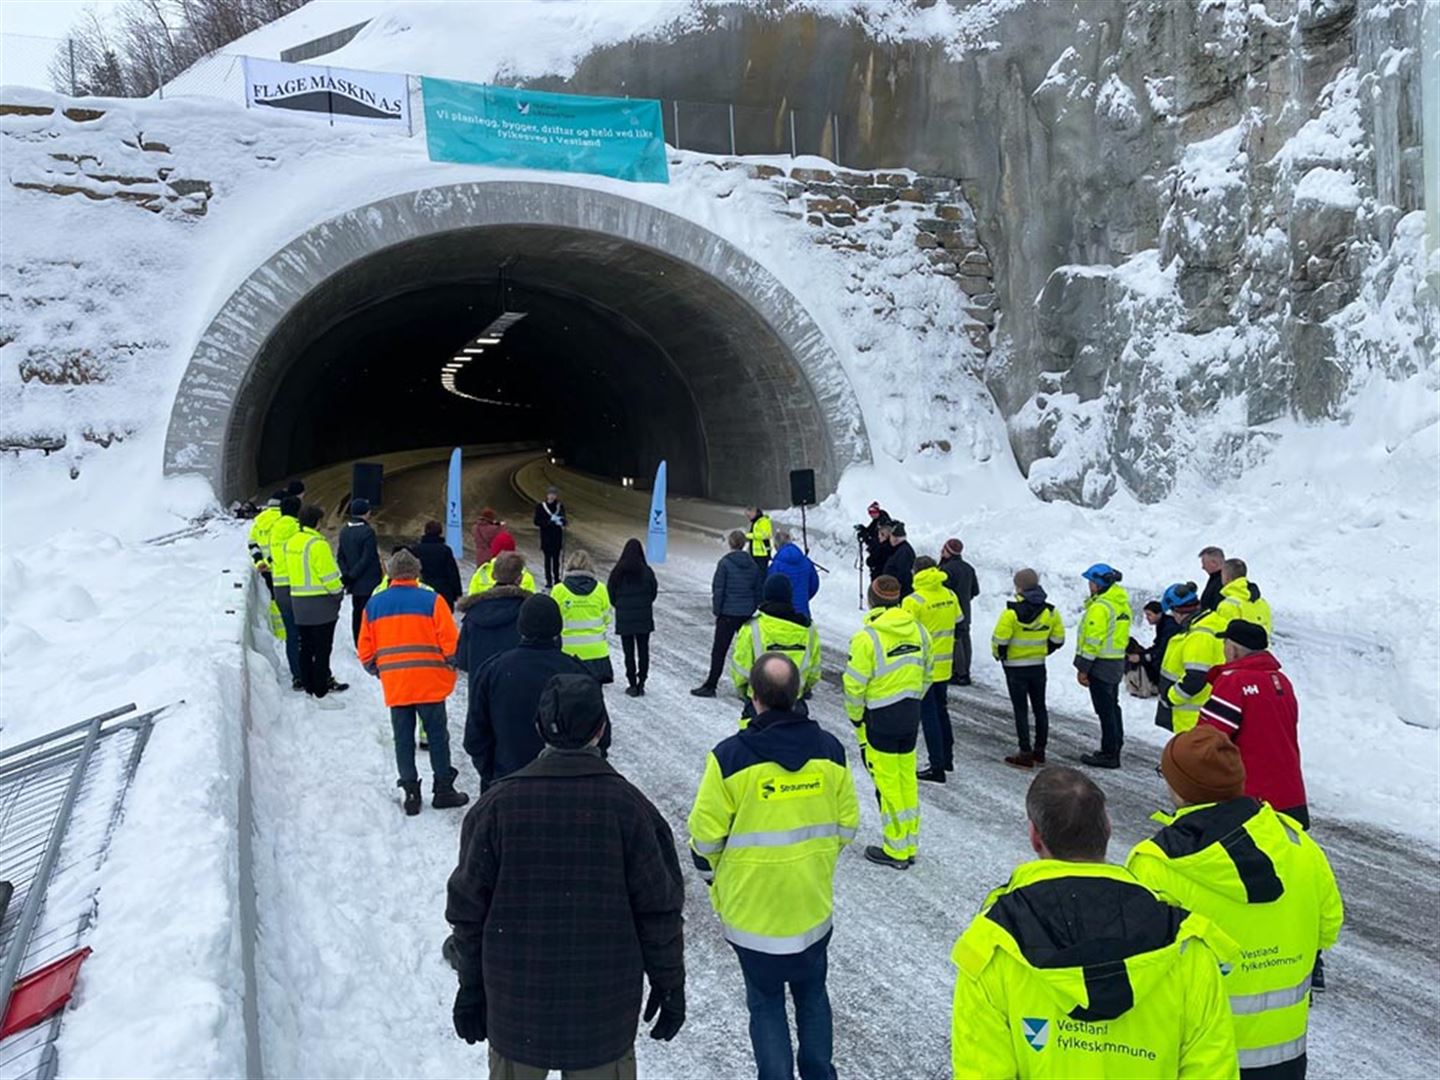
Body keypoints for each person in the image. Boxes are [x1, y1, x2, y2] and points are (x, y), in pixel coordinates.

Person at [448, 674, 685, 1079]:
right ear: (602, 729)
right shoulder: (630, 809)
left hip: (515, 1006)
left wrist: (470, 985)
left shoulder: (497, 807)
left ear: (540, 728)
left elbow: (468, 909)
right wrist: (669, 982)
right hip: (603, 1014)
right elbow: (659, 909)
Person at [951, 767, 1239, 1080]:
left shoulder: (992, 946)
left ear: (1035, 837)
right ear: (1108, 828)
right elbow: (1213, 1071)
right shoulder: (1186, 943)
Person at [1127, 726, 1342, 1079]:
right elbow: (1328, 926)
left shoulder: (1156, 863)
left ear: (1180, 788)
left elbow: (1140, 966)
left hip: (1200, 1057)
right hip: (1285, 1053)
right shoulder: (1297, 842)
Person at [688, 653, 858, 1080]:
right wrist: (814, 861)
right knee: (813, 994)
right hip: (810, 908)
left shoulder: (729, 759)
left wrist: (717, 881)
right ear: (798, 694)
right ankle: (820, 1073)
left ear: (753, 697)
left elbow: (704, 840)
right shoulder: (831, 752)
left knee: (765, 1003)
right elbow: (847, 825)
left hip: (752, 915)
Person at [356, 549, 469, 815]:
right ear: (417, 572)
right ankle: (443, 789)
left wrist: (379, 670)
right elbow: (451, 643)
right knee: (438, 737)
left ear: (390, 574)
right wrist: (451, 664)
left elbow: (365, 649)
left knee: (403, 739)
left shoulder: (374, 605)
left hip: (397, 683)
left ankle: (410, 793)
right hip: (431, 681)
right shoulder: (433, 600)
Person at [464, 594, 599, 790]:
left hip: (507, 783)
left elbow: (475, 738)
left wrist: (493, 776)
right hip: (569, 790)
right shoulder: (578, 671)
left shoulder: (493, 670)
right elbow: (599, 736)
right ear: (558, 628)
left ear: (520, 627)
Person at [843, 574, 931, 870]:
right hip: (910, 714)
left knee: (887, 783)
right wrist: (913, 697)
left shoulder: (867, 638)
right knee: (907, 780)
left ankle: (895, 849)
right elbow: (927, 672)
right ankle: (909, 842)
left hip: (880, 718)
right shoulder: (919, 631)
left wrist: (856, 717)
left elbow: (854, 685)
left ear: (871, 599)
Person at [1198, 619, 1311, 826]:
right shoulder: (1281, 681)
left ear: (1233, 649)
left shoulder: (1233, 682)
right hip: (1290, 795)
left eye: (1225, 644)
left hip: (1251, 799)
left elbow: (1207, 739)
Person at [990, 569, 1065, 769]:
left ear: (1020, 587)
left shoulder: (1011, 613)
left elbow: (1000, 640)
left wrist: (1001, 655)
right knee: (1040, 708)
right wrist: (1043, 651)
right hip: (1038, 666)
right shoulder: (1050, 611)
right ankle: (1040, 751)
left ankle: (1025, 752)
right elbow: (1058, 639)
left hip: (1015, 668)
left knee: (1021, 709)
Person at [730, 575, 821, 727]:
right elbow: (814, 670)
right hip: (794, 703)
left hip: (758, 707)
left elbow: (741, 670)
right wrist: (802, 689)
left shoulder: (752, 628)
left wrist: (746, 693)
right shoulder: (809, 629)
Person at [284, 504, 349, 707]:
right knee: (322, 649)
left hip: (299, 601)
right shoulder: (317, 545)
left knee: (306, 646)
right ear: (317, 522)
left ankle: (309, 685)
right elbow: (329, 576)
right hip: (320, 604)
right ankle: (321, 691)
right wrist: (338, 592)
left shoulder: (292, 542)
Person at [904, 557, 960, 783]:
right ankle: (947, 758)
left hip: (925, 666)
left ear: (915, 572)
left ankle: (936, 766)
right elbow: (958, 619)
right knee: (941, 711)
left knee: (928, 716)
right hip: (945, 664)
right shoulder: (950, 595)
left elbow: (906, 631)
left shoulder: (913, 600)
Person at [1074, 563, 1132, 770]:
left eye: (1091, 582)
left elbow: (1092, 640)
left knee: (1105, 710)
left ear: (1098, 584)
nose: (1089, 585)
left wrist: (1083, 668)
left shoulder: (1100, 607)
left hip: (1100, 664)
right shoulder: (1120, 603)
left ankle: (1109, 753)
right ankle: (1114, 746)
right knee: (1112, 707)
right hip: (1115, 663)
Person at [692, 531, 762, 698]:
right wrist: (751, 607)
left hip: (727, 613)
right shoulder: (752, 565)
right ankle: (751, 686)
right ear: (744, 544)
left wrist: (718, 610)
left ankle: (711, 684)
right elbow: (757, 589)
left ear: (730, 544)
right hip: (746, 613)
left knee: (719, 650)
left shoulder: (724, 563)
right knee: (748, 651)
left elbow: (718, 589)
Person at [1159, 581, 1227, 733]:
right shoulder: (1214, 623)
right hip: (1208, 714)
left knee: (1190, 755)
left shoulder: (1199, 636)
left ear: (1177, 611)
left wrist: (1171, 697)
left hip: (1192, 718)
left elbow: (1195, 678)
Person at [455, 552, 529, 686]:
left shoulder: (473, 611)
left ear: (494, 575)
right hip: (518, 687)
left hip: (481, 690)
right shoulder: (529, 611)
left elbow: (463, 660)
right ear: (520, 578)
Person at [553, 549, 614, 685]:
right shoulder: (601, 589)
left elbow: (553, 621)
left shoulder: (559, 590)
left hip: (568, 653)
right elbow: (608, 618)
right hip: (597, 653)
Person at [607, 539, 658, 698]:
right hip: (643, 617)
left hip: (625, 618)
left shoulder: (617, 572)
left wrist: (620, 606)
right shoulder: (647, 571)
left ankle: (632, 683)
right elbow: (653, 592)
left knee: (628, 652)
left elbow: (611, 595)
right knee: (644, 650)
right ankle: (642, 681)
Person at [269, 494, 304, 690]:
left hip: (279, 586)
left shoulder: (274, 529)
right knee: (305, 633)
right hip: (297, 587)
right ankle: (308, 672)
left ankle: (296, 675)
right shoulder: (296, 529)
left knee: (291, 633)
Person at [337, 497, 382, 645]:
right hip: (368, 580)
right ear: (366, 513)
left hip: (354, 583)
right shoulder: (367, 532)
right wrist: (353, 574)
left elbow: (340, 557)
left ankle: (358, 641)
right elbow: (367, 558)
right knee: (369, 613)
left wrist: (347, 575)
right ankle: (369, 641)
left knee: (357, 612)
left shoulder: (344, 532)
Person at [938, 538, 980, 685]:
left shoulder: (946, 570)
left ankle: (958, 673)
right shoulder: (968, 568)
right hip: (965, 609)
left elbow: (941, 590)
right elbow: (975, 590)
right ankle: (965, 671)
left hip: (950, 610)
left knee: (955, 641)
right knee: (965, 639)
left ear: (948, 551)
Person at [1126, 600, 1176, 698]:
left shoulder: (1169, 627)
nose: (1147, 618)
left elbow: (1162, 650)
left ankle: (1149, 685)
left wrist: (1143, 657)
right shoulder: (1162, 624)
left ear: (1159, 614)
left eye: (1149, 615)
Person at [411, 520, 463, 610]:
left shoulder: (416, 550)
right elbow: (452, 572)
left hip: (421, 588)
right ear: (440, 532)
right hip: (443, 591)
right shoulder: (445, 550)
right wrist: (457, 592)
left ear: (425, 531)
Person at [767, 530, 819, 618]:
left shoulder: (777, 565)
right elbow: (814, 584)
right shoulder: (806, 562)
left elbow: (769, 588)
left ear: (776, 546)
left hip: (783, 613)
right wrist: (803, 597)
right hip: (803, 612)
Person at [1218, 557, 1274, 635]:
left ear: (1227, 577)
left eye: (1222, 574)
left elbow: (1224, 635)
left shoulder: (1228, 605)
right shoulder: (1263, 603)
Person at [247, 491, 283, 590]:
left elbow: (252, 544)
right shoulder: (285, 520)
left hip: (265, 569)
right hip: (283, 568)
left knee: (273, 595)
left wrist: (259, 561)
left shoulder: (259, 521)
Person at [534, 486, 568, 589]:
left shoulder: (560, 506)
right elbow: (536, 521)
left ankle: (557, 579)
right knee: (547, 560)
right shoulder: (541, 507)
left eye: (554, 494)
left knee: (556, 560)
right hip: (546, 537)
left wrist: (562, 522)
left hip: (557, 537)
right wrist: (548, 522)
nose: (552, 496)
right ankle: (548, 580)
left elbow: (565, 520)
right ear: (547, 495)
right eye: (550, 494)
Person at [468, 547, 537, 596]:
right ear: (520, 578)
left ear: (494, 575)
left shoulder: (482, 572)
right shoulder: (527, 576)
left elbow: (472, 593)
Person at [854, 501, 892, 582]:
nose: (871, 514)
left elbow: (877, 541)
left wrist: (866, 537)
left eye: (873, 512)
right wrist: (863, 529)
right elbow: (870, 532)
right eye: (870, 512)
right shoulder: (876, 521)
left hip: (881, 560)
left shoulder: (883, 523)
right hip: (877, 558)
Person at [880, 520, 916, 597]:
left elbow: (904, 575)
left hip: (900, 593)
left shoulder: (904, 552)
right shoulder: (898, 549)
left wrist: (897, 592)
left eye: (891, 537)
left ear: (895, 538)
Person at [745, 506, 775, 578]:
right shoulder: (754, 522)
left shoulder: (763, 521)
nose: (748, 517)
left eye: (749, 515)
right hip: (755, 553)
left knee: (761, 575)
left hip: (762, 553)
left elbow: (764, 535)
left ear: (755, 513)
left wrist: (749, 536)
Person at [1199, 545, 1226, 612]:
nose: (1203, 567)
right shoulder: (1215, 578)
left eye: (1204, 563)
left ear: (1214, 563)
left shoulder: (1223, 581)